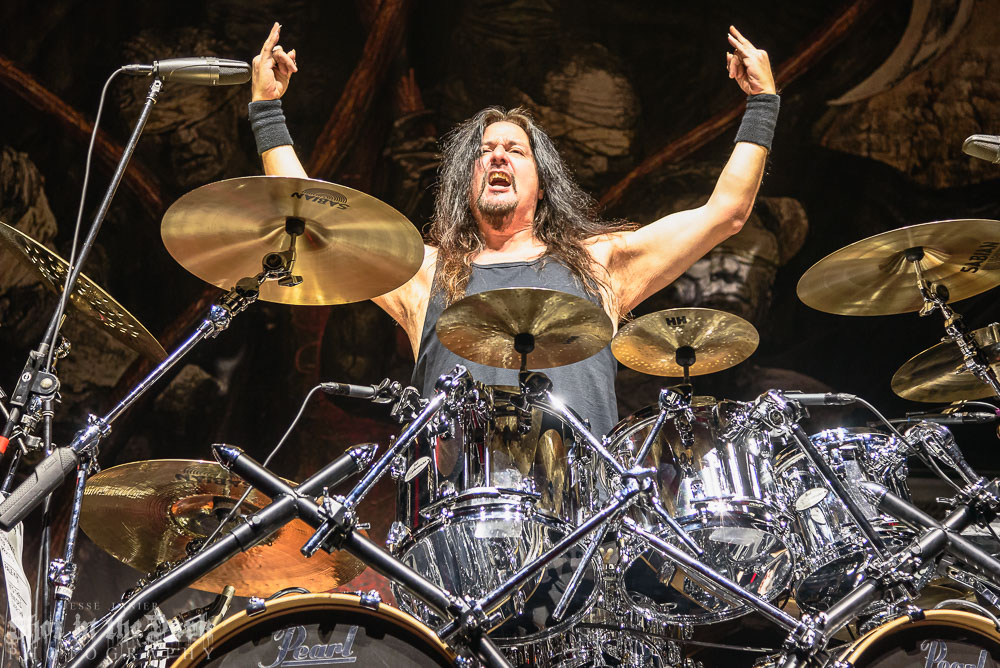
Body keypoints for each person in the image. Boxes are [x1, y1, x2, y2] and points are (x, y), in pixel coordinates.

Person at [247, 22, 778, 437]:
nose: (496, 154)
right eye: (483, 152)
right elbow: (313, 222)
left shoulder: (599, 263)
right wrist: (268, 112)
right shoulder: (425, 272)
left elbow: (725, 212)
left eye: (514, 150)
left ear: (542, 184)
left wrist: (762, 104)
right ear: (467, 180)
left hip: (580, 528)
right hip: (455, 532)